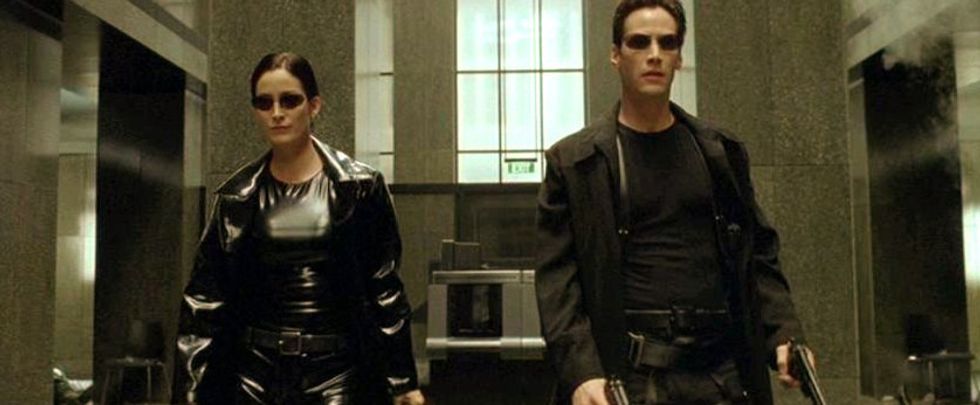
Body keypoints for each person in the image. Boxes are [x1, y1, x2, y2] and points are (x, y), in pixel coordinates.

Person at [534, 1, 813, 404]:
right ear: (615, 55)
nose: (654, 55)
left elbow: (757, 256)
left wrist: (784, 333)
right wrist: (582, 373)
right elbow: (559, 283)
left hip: (720, 375)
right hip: (631, 377)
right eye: (639, 42)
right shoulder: (576, 163)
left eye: (667, 43)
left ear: (679, 57)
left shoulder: (720, 153)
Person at [173, 52, 425, 405]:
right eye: (264, 103)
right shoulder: (238, 196)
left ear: (314, 106)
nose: (277, 113)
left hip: (338, 372)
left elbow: (384, 288)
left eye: (289, 100)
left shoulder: (359, 187)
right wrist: (189, 390)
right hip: (253, 375)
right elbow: (204, 299)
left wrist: (402, 381)